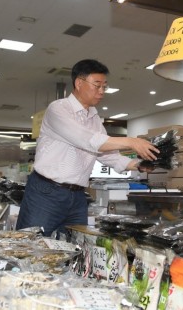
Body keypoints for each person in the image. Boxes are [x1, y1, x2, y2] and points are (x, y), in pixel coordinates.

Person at [16, 59, 159, 237]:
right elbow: (87, 140)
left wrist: (137, 165)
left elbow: (107, 155)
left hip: (77, 196)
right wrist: (132, 142)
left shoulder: (94, 118)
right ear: (78, 83)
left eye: (104, 87)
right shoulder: (58, 109)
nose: (101, 92)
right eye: (97, 85)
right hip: (47, 192)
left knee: (75, 249)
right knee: (31, 245)